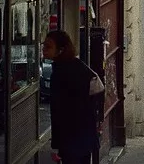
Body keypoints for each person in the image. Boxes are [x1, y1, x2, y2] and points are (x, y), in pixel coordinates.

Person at [42, 30, 101, 164]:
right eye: (44, 45)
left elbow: (58, 111)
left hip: (72, 138)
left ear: (60, 50)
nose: (44, 49)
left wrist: (56, 145)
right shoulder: (77, 65)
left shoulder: (60, 73)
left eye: (48, 46)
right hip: (84, 136)